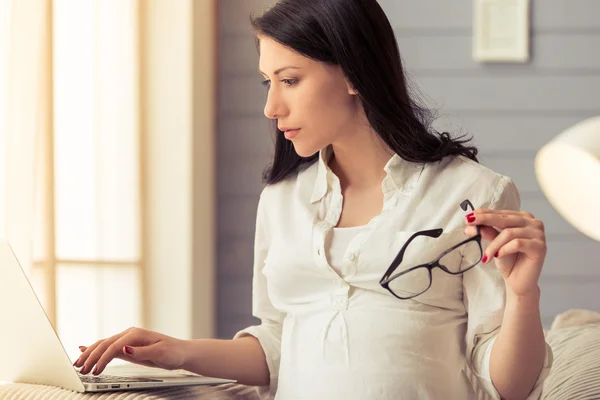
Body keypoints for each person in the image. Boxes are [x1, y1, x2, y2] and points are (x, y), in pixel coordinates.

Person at [75, 0, 553, 399]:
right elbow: (279, 343)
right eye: (268, 83)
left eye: (289, 80)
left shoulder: (472, 194)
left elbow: (508, 384)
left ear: (353, 74)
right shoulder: (281, 200)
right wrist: (176, 351)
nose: (270, 108)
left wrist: (522, 294)